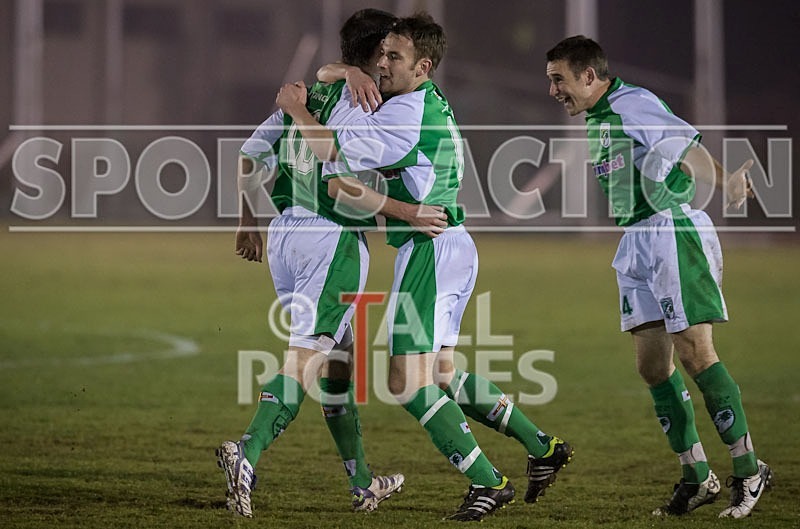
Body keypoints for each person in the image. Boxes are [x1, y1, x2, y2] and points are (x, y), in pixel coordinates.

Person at [277, 13, 572, 522]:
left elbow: (325, 151)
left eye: (393, 57)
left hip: (430, 249)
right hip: (448, 246)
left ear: (424, 66)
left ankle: (488, 482)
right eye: (380, 54)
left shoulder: (401, 117)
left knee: (405, 381)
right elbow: (330, 73)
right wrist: (347, 71)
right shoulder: (418, 96)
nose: (382, 64)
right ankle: (543, 447)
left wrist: (293, 109)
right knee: (441, 371)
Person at [215, 9, 445, 518]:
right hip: (333, 238)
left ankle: (362, 482)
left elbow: (249, 156)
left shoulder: (307, 91)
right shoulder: (366, 101)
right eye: (383, 54)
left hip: (283, 235)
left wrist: (245, 220)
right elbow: (337, 157)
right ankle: (246, 454)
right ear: (371, 57)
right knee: (306, 358)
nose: (387, 64)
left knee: (338, 361)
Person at [545, 35, 772, 518]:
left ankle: (750, 469)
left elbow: (685, 150)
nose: (554, 90)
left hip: (672, 232)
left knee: (696, 352)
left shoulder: (631, 103)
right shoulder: (599, 117)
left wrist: (727, 179)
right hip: (636, 241)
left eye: (559, 80)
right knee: (652, 367)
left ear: (589, 76)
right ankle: (697, 476)